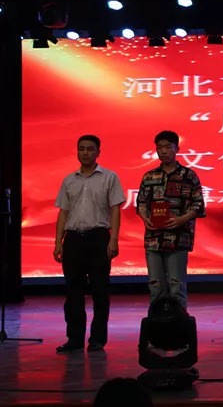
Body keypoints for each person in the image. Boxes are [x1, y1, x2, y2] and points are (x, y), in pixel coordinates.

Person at [53, 134, 125, 353]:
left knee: (99, 291)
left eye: (90, 149)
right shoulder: (69, 180)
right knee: (72, 292)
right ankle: (74, 339)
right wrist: (58, 242)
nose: (85, 153)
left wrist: (113, 239)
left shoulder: (109, 177)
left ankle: (97, 340)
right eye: (82, 149)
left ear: (98, 152)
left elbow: (115, 210)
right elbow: (63, 213)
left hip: (98, 238)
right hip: (73, 239)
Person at [136, 130, 205, 309]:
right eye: (160, 148)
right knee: (155, 285)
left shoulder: (189, 176)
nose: (164, 151)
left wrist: (182, 219)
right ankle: (156, 323)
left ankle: (179, 323)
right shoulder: (149, 176)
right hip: (154, 238)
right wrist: (145, 218)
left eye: (168, 147)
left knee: (176, 285)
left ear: (177, 149)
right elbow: (141, 203)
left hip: (178, 238)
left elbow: (198, 205)